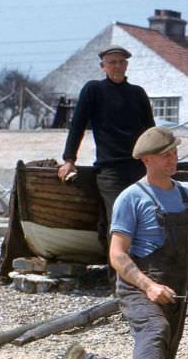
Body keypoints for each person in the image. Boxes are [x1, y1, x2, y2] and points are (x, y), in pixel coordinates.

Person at [46, 126, 188, 359]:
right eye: (164, 155)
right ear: (146, 160)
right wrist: (148, 286)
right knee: (156, 330)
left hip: (175, 288)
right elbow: (117, 255)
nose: (172, 160)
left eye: (174, 153)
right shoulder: (131, 198)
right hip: (138, 286)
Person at [58, 44, 155, 229]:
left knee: (145, 217)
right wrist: (69, 160)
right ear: (103, 66)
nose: (117, 66)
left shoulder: (137, 93)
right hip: (110, 170)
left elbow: (151, 133)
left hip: (139, 167)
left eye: (121, 62)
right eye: (112, 62)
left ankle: (139, 257)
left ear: (126, 65)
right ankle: (117, 258)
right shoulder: (94, 90)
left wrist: (157, 161)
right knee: (120, 219)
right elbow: (77, 126)